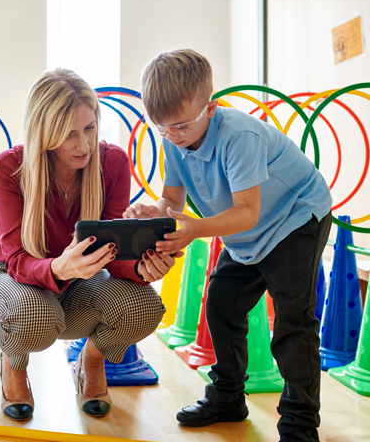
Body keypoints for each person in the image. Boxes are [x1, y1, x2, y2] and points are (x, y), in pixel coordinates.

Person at [125, 49, 332, 442]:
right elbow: (172, 199)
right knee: (221, 304)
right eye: (161, 127)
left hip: (296, 218)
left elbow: (247, 212)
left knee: (293, 323)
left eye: (181, 126)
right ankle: (227, 398)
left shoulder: (239, 136)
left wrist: (195, 229)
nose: (172, 135)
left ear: (210, 107)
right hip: (247, 230)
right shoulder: (173, 138)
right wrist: (154, 214)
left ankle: (300, 424)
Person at [0, 69, 172, 421]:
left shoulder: (112, 163)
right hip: (10, 276)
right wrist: (58, 267)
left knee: (145, 307)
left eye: (90, 129)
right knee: (33, 316)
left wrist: (141, 268)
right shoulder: (9, 168)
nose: (84, 146)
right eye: (69, 134)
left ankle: (91, 361)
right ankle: (13, 362)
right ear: (44, 133)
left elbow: (111, 256)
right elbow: (16, 260)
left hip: (81, 279)